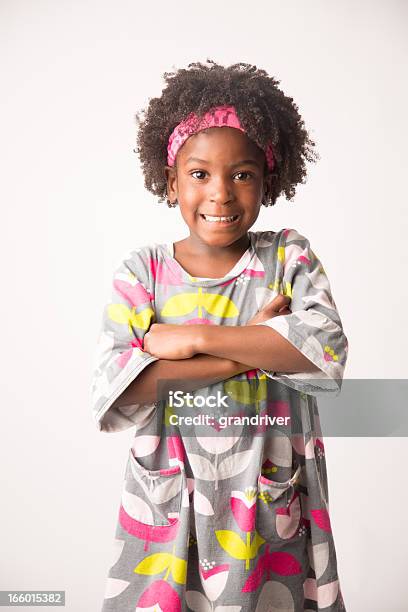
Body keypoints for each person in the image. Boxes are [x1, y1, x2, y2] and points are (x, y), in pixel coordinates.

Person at [90, 59, 348, 611]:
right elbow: (124, 388)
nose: (221, 194)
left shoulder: (287, 258)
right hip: (170, 502)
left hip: (271, 495)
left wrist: (193, 339)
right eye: (200, 174)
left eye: (243, 174)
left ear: (269, 179)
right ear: (170, 180)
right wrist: (253, 345)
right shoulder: (143, 273)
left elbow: (322, 351)